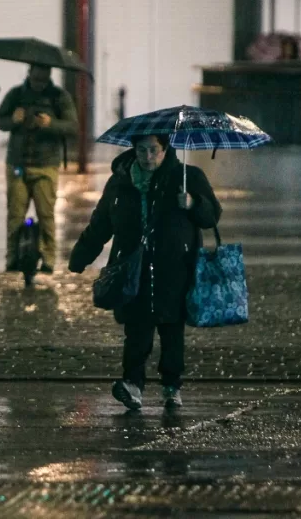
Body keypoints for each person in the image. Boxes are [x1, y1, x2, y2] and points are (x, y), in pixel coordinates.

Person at [68, 134, 221, 411]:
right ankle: (132, 384)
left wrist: (193, 203)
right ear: (134, 150)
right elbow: (102, 222)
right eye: (142, 150)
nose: (148, 157)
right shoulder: (120, 181)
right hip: (132, 268)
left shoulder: (187, 177)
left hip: (175, 268)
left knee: (171, 329)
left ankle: (171, 386)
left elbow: (211, 216)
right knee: (136, 329)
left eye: (154, 151)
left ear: (165, 150)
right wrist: (80, 256)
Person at [0, 65, 79, 274]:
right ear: (29, 73)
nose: (39, 82)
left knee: (46, 214)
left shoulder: (60, 97)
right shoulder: (16, 95)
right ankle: (12, 258)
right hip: (18, 164)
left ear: (49, 75)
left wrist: (51, 124)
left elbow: (72, 126)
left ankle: (49, 258)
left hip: (46, 165)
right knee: (15, 214)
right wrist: (13, 120)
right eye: (36, 77)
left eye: (43, 78)